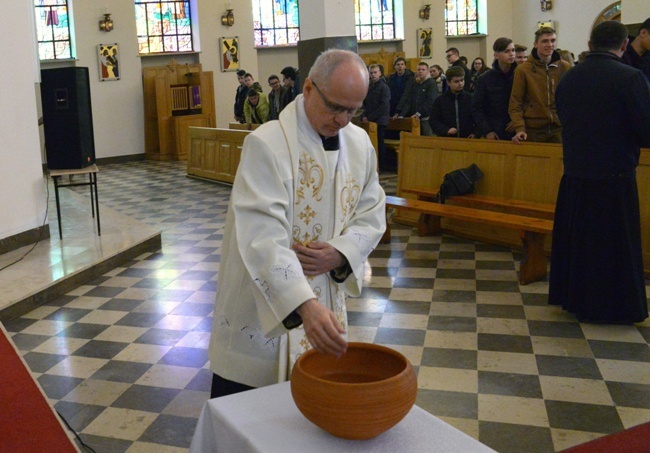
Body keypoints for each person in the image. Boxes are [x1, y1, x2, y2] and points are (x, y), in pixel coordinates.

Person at [207, 49, 386, 397]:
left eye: (353, 110)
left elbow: (372, 212)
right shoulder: (267, 145)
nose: (343, 120)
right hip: (265, 312)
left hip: (327, 305)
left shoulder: (360, 144)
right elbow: (261, 236)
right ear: (308, 89)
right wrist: (304, 304)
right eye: (335, 107)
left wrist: (340, 253)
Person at [548, 20, 650, 324]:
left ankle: (578, 300)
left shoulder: (569, 78)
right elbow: (646, 131)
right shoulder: (631, 78)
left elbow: (564, 119)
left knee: (583, 243)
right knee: (613, 246)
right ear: (622, 45)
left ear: (591, 45)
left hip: (577, 176)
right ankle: (614, 307)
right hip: (614, 178)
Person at [508, 26, 570, 144]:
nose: (550, 44)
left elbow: (571, 98)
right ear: (536, 44)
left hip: (558, 128)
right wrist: (519, 128)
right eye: (545, 41)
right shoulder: (523, 70)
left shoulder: (564, 67)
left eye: (552, 41)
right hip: (533, 130)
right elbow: (515, 103)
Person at [472, 37, 517, 140]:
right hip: (495, 129)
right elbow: (477, 108)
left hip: (517, 128)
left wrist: (518, 120)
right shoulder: (485, 79)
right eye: (507, 51)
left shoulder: (520, 75)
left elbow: (528, 102)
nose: (511, 54)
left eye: (513, 50)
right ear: (496, 55)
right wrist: (487, 130)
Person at [360, 64, 392, 171]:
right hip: (369, 120)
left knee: (379, 143)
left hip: (380, 120)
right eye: (371, 73)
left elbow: (384, 106)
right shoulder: (368, 87)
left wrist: (369, 118)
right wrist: (364, 115)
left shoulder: (384, 87)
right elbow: (363, 103)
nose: (373, 75)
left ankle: (381, 166)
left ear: (380, 73)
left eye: (375, 72)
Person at [429, 66, 476, 138]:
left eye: (462, 80)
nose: (460, 83)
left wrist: (475, 132)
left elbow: (479, 117)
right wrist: (445, 130)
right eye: (456, 81)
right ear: (448, 82)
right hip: (448, 140)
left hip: (468, 139)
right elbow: (433, 120)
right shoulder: (440, 100)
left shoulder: (471, 98)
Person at [395, 61, 438, 136]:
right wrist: (402, 114)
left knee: (427, 140)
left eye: (423, 70)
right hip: (414, 118)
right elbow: (409, 100)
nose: (420, 71)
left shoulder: (431, 83)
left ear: (427, 71)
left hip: (426, 118)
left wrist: (419, 113)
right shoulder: (415, 83)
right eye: (419, 69)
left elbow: (430, 101)